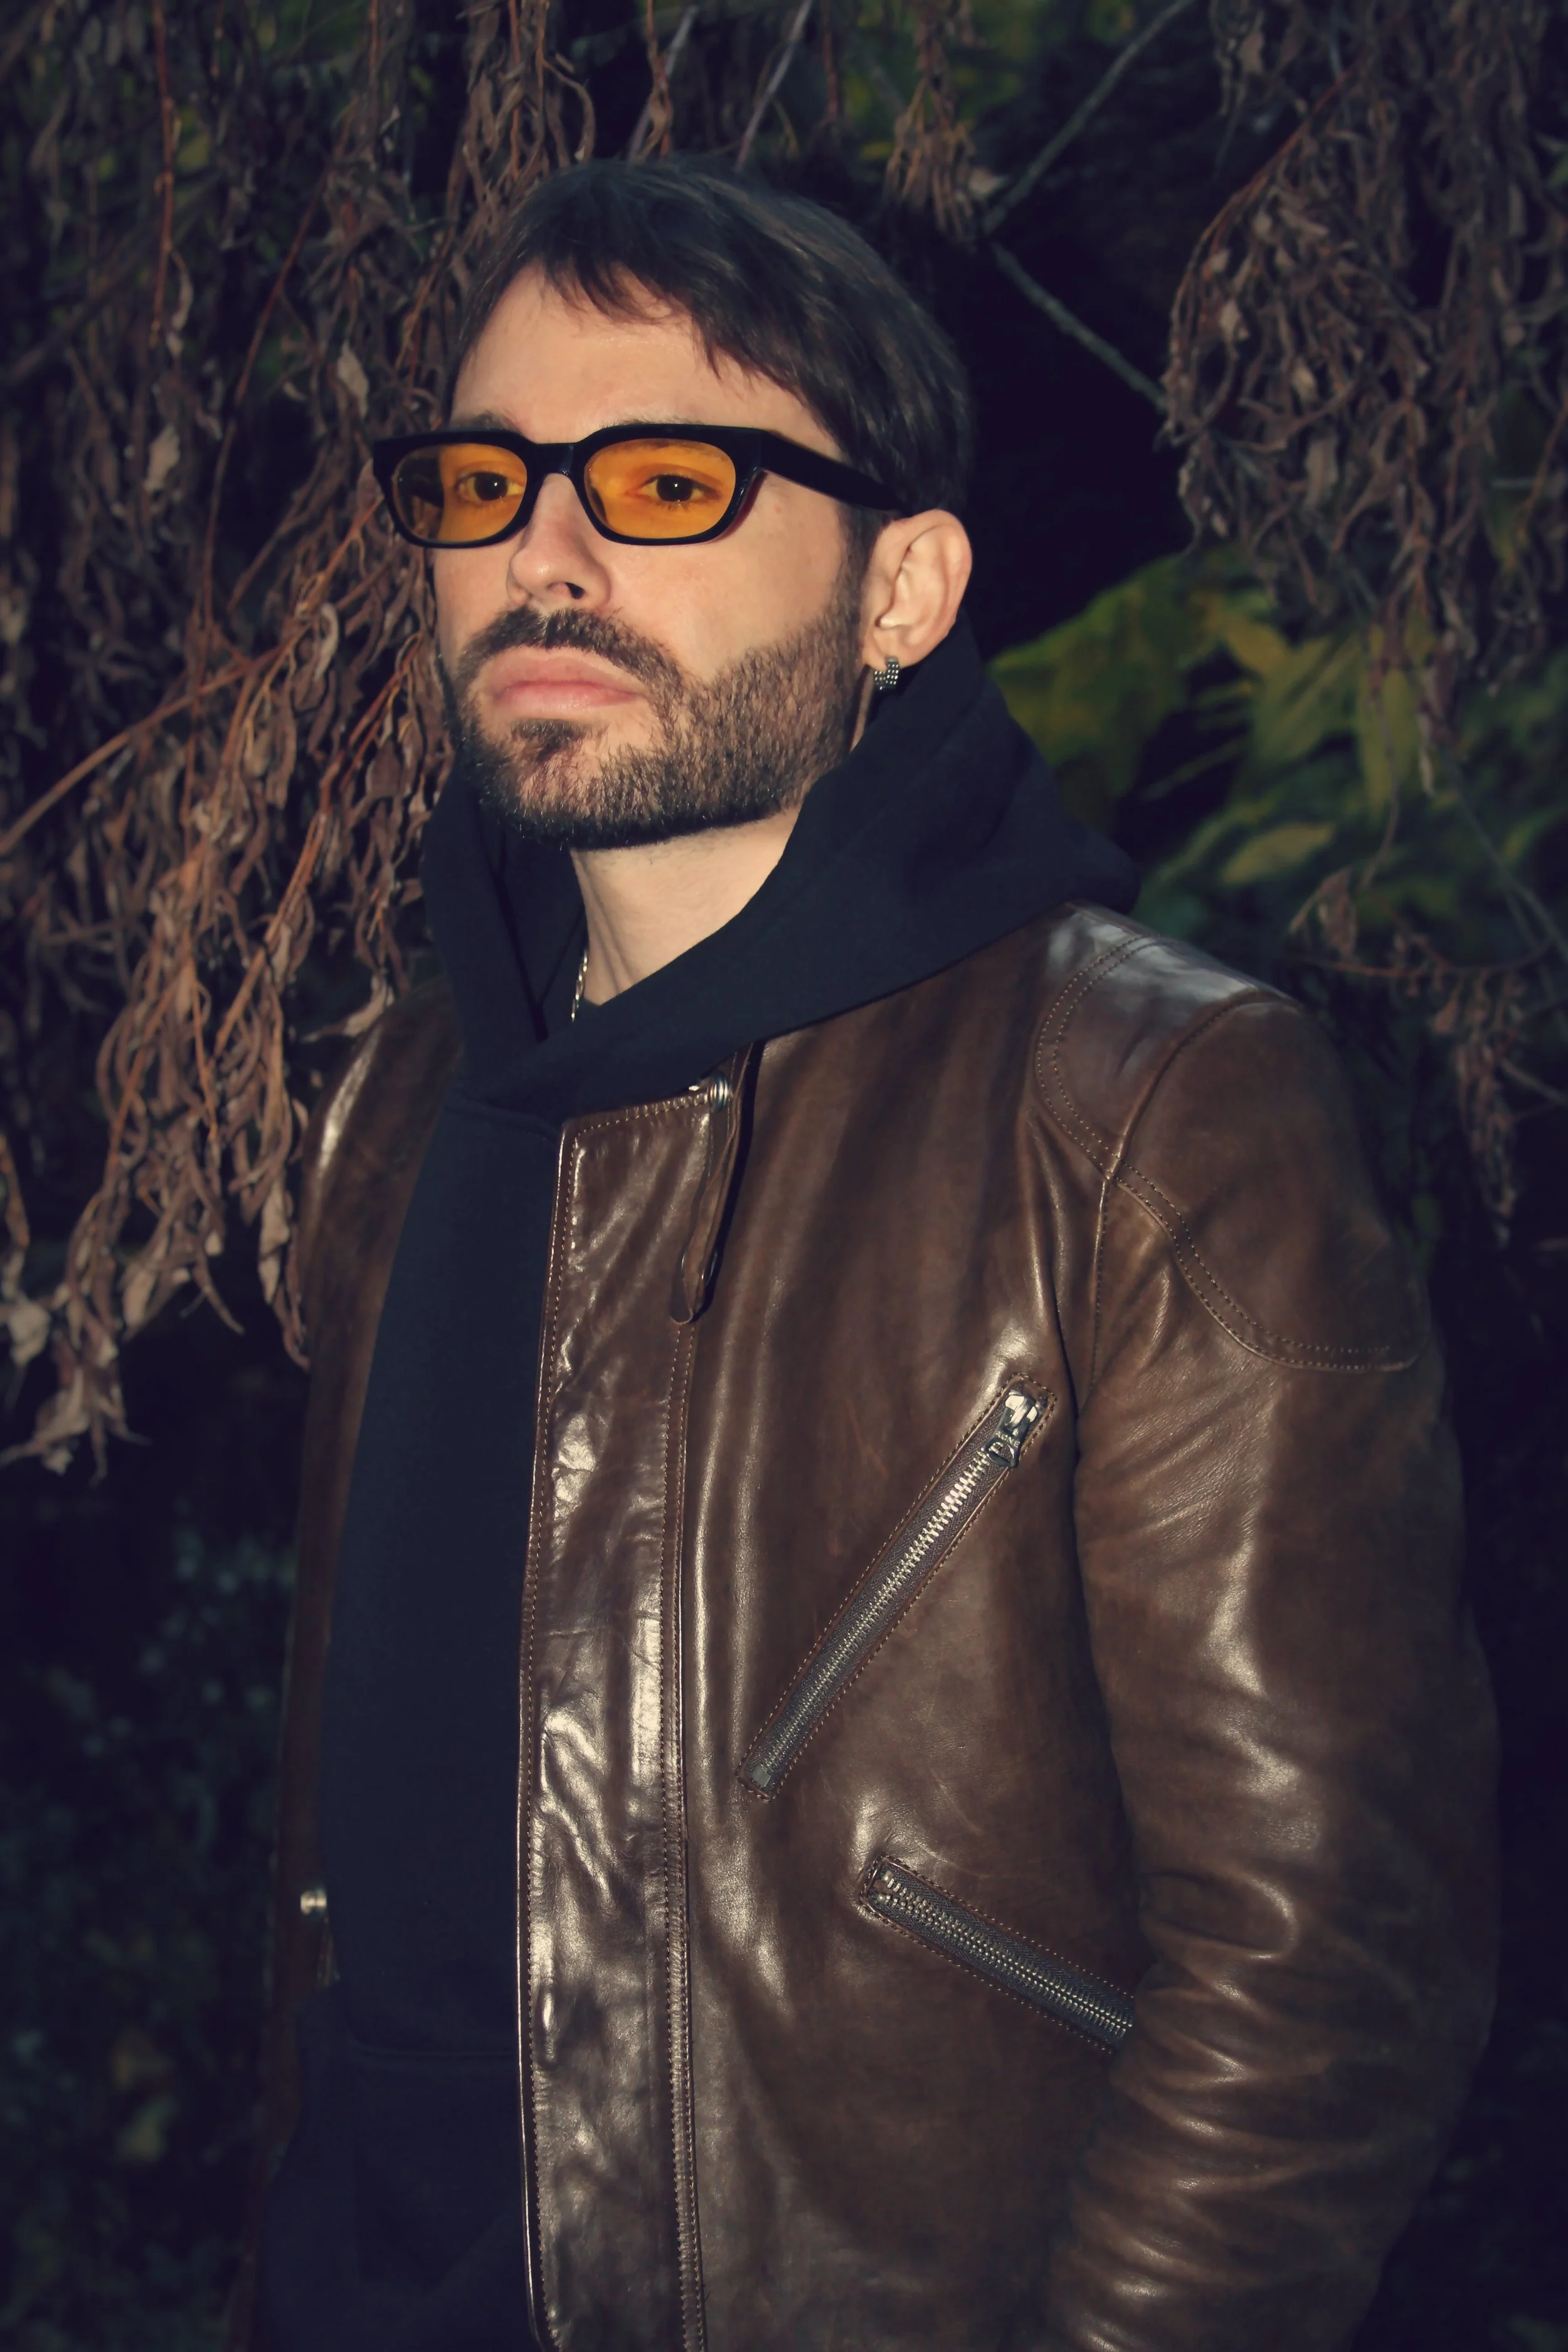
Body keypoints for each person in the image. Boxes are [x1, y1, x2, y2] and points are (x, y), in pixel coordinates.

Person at [238, 160, 1497, 2352]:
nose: (543, 554)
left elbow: (1326, 1971)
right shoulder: (400, 1095)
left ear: (902, 587)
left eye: (659, 476)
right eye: (483, 478)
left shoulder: (1143, 1105)